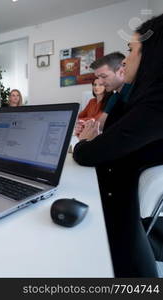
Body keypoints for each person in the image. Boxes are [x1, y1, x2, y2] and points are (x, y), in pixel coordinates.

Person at [73, 14, 163, 277]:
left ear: (154, 56)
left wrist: (85, 143)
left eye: (132, 50)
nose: (126, 59)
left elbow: (90, 152)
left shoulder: (156, 104)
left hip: (123, 206)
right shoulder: (141, 97)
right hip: (124, 189)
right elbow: (113, 132)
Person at [89, 52, 132, 131]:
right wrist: (85, 127)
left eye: (103, 76)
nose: (100, 82)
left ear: (122, 72)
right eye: (98, 77)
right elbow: (100, 125)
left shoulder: (136, 92)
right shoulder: (115, 97)